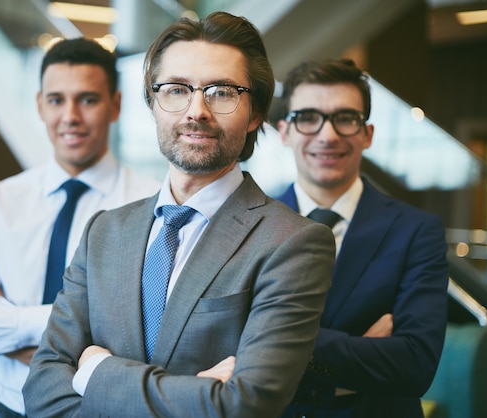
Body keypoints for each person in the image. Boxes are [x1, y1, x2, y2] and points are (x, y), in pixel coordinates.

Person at [22, 11, 335, 418]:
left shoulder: (293, 243)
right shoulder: (104, 231)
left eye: (221, 92)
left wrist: (95, 370)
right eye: (176, 89)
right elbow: (41, 391)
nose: (196, 110)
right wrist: (195, 395)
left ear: (255, 112)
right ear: (153, 103)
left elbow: (245, 405)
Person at [0, 37, 160, 417]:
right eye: (56, 100)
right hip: (5, 408)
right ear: (39, 105)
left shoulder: (153, 206)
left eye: (87, 99)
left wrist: (3, 322)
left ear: (115, 105)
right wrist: (63, 331)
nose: (70, 116)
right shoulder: (0, 201)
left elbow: (145, 341)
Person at [275, 58, 449, 418]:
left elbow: (414, 365)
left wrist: (277, 343)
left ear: (367, 134)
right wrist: (359, 351)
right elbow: (221, 344)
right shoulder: (250, 223)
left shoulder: (417, 231)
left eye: (345, 118)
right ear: (284, 131)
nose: (327, 135)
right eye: (308, 117)